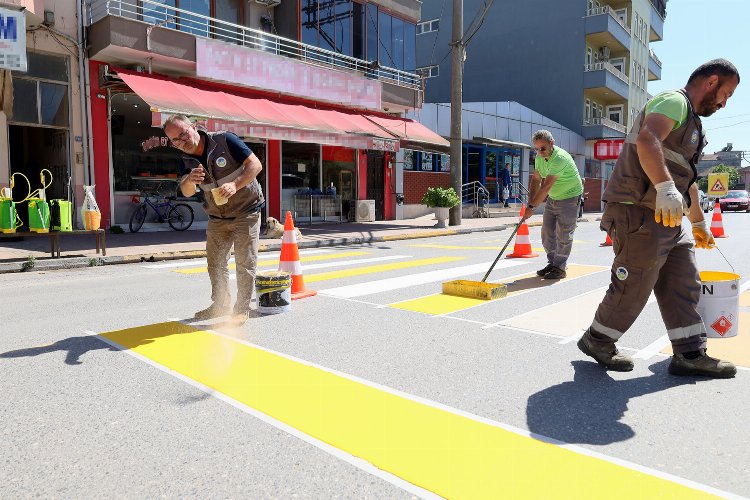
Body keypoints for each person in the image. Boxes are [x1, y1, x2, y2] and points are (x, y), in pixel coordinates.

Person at [577, 59, 740, 378]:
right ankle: (598, 340)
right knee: (635, 282)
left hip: (666, 216)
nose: (724, 102)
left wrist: (697, 223)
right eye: (727, 93)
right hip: (637, 207)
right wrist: (665, 187)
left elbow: (686, 180)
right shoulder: (674, 101)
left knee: (683, 281)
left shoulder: (693, 123)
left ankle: (690, 353)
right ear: (711, 82)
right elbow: (647, 138)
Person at [164, 115, 265, 323]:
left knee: (245, 262)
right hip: (218, 216)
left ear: (193, 127)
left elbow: (255, 165)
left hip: (247, 210)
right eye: (176, 140)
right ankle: (220, 305)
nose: (182, 141)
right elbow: (187, 191)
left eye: (183, 133)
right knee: (215, 262)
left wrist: (235, 185)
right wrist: (189, 180)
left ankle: (241, 309)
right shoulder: (186, 160)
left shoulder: (224, 140)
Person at [522, 130, 583, 279]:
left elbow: (546, 186)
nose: (539, 152)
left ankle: (560, 268)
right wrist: (530, 203)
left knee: (564, 233)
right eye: (536, 149)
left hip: (570, 198)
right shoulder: (539, 158)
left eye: (542, 148)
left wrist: (531, 208)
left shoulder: (560, 158)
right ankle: (553, 263)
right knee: (547, 232)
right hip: (553, 198)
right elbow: (536, 180)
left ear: (551, 143)